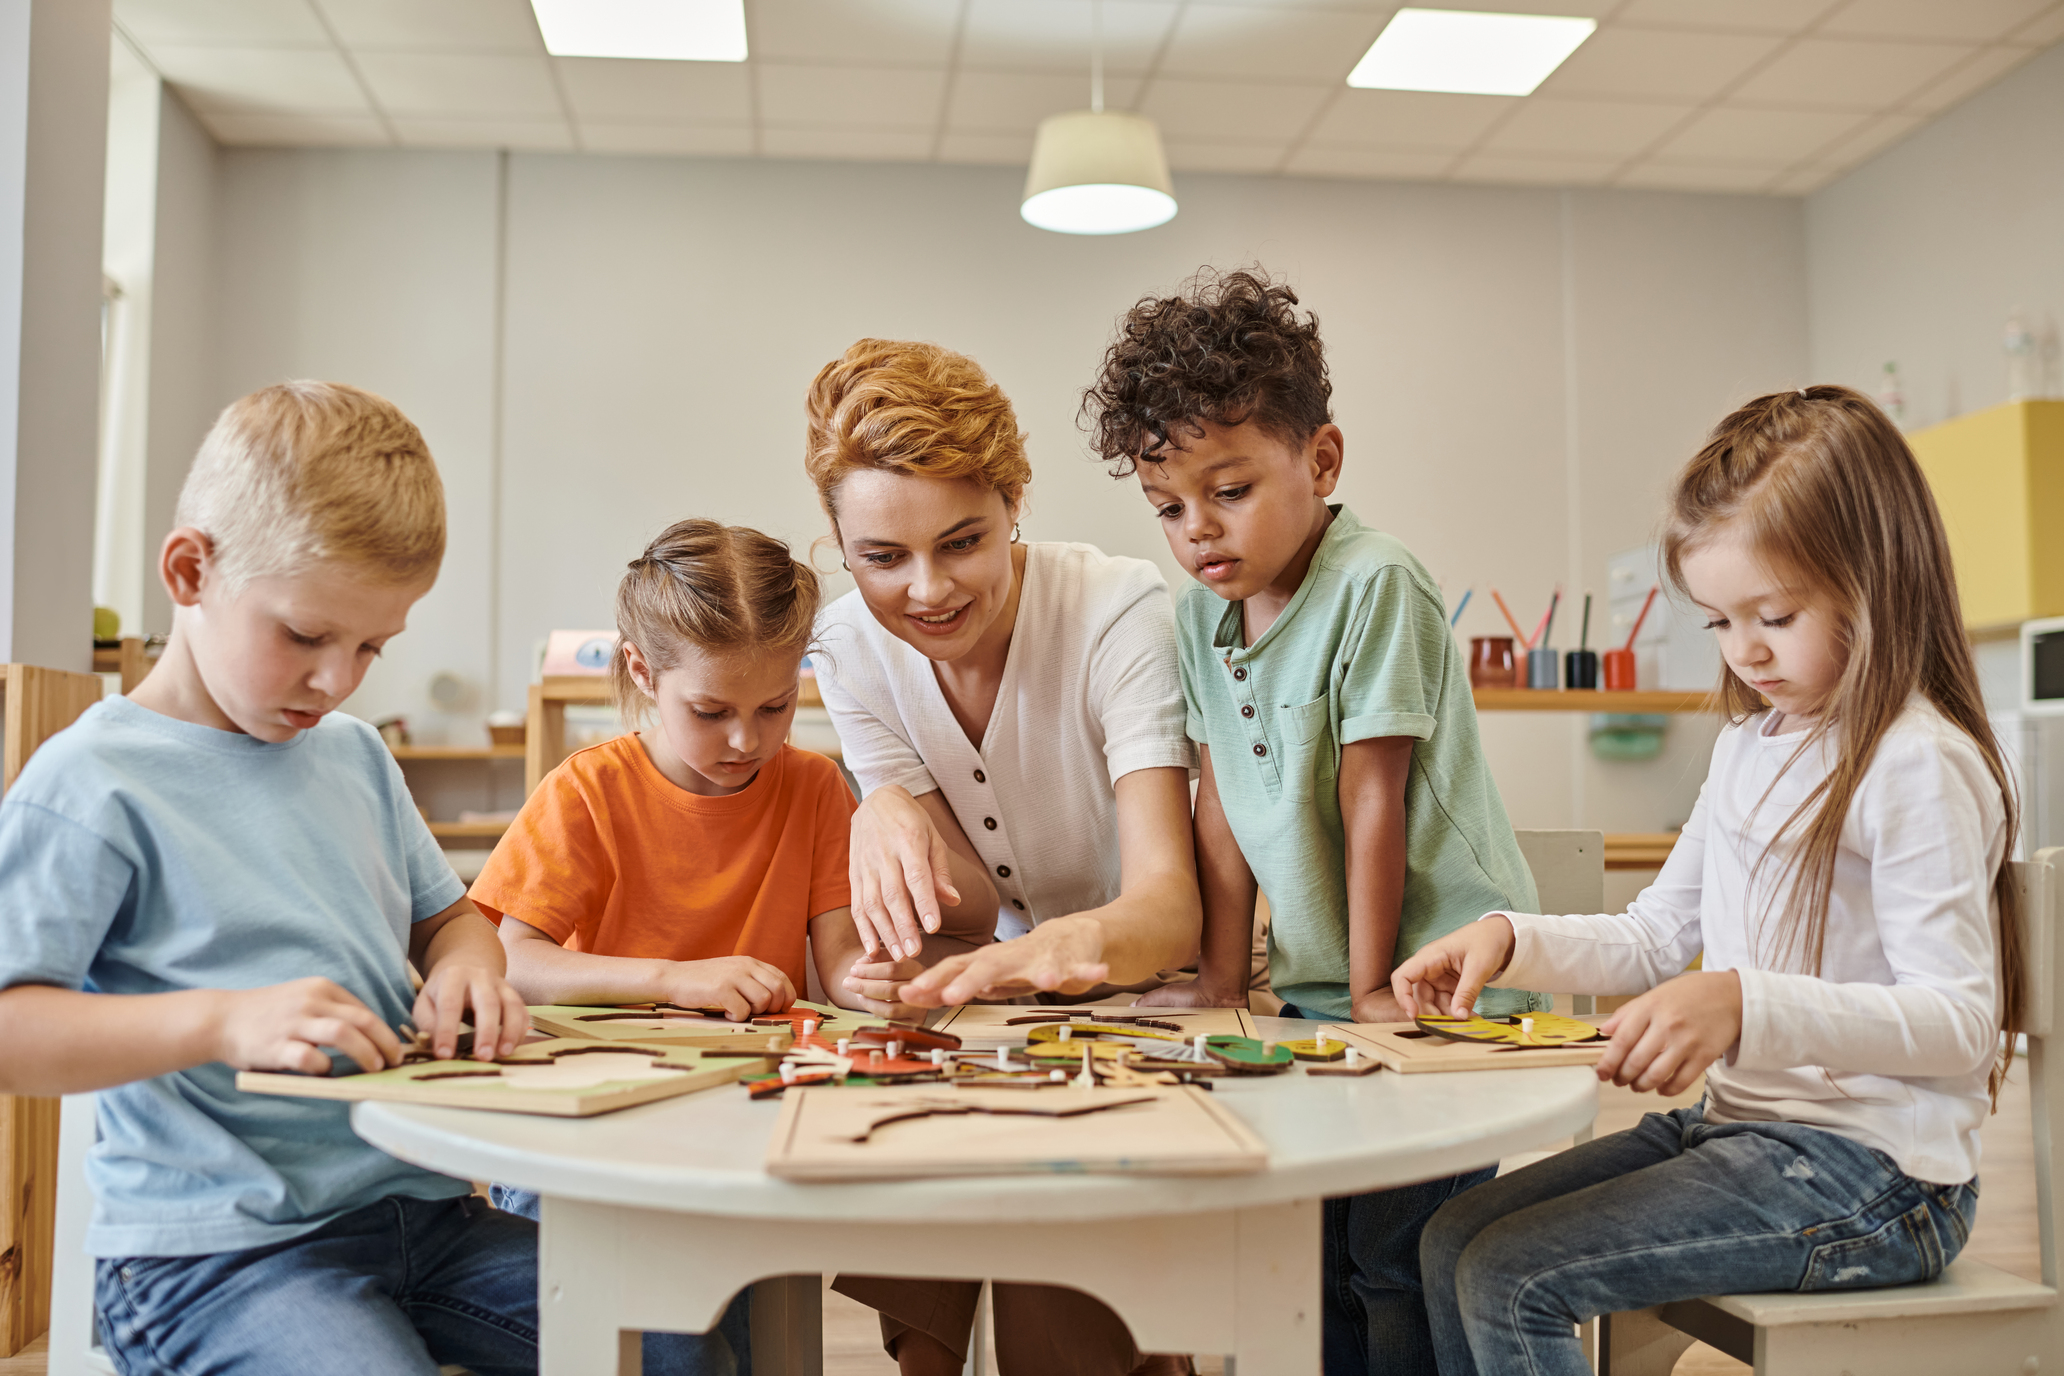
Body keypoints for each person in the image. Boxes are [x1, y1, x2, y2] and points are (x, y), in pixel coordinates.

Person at [1398, 385, 2020, 1376]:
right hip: (1741, 1130)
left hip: (1882, 1175)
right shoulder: (1749, 743)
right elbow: (1653, 934)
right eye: (1720, 621)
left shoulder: (1916, 761)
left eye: (1774, 614)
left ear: (1879, 580)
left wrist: (1743, 1003)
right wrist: (1511, 936)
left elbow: (1959, 1024)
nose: (1745, 651)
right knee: (1445, 1236)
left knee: (1510, 1274)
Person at [0, 382, 538, 1376]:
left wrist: (473, 967)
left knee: (677, 1333)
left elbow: (451, 918)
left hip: (422, 1209)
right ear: (190, 568)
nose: (339, 680)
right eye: (305, 635)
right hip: (219, 1252)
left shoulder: (355, 756)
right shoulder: (92, 781)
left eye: (372, 645)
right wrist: (220, 1021)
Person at [1080, 267, 1543, 1376]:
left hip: (1437, 978)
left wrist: (1380, 985)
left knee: (1394, 1257)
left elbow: (1369, 797)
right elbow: (1224, 812)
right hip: (1319, 992)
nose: (1196, 530)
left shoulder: (1378, 581)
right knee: (1308, 1254)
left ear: (1321, 460)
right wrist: (1219, 981)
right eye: (1167, 507)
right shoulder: (1200, 615)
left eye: (1228, 491)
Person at [806, 338, 1202, 1376]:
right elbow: (976, 914)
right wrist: (878, 804)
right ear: (840, 544)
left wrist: (1031, 958)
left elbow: (1169, 909)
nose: (927, 590)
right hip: (1011, 993)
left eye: (963, 540)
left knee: (1051, 1256)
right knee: (915, 1138)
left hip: (1157, 986)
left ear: (1016, 501)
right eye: (882, 557)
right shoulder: (846, 644)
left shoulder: (1115, 608)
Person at [473, 517, 869, 1376]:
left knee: (757, 1355)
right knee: (685, 1361)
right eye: (711, 711)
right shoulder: (589, 789)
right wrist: (675, 979)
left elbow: (841, 969)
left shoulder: (812, 787)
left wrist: (903, 974)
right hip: (585, 1138)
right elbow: (511, 960)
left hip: (737, 1132)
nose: (746, 740)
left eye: (775, 707)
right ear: (642, 672)